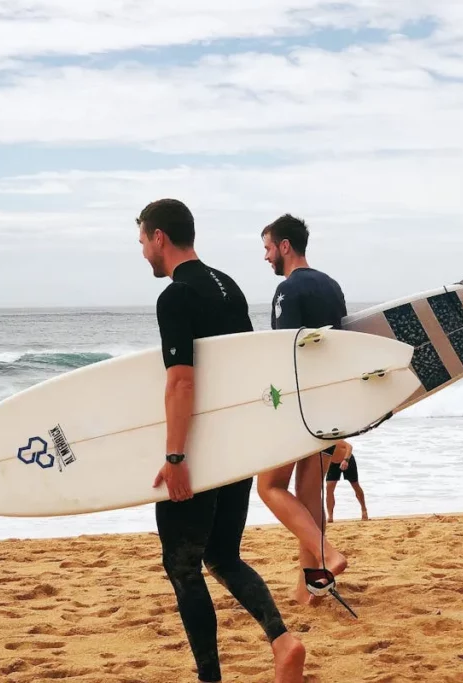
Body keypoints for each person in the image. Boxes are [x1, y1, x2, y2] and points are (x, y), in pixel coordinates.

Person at [139, 198, 305, 683]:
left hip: (201, 453)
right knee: (222, 555)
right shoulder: (227, 287)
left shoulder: (174, 297)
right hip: (236, 448)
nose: (144, 253)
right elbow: (245, 369)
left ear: (159, 238)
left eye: (143, 242)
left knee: (183, 566)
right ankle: (282, 640)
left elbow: (182, 382)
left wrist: (175, 457)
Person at [254, 213, 350, 606]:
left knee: (269, 486)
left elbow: (285, 352)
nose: (266, 258)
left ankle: (327, 556)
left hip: (298, 404)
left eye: (267, 248)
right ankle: (311, 588)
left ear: (284, 247)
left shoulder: (287, 291)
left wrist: (270, 405)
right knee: (308, 499)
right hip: (327, 403)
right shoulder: (332, 286)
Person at [323, 440, 368, 522]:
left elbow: (349, 446)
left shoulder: (333, 439)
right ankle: (330, 516)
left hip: (347, 460)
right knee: (329, 489)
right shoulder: (317, 444)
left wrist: (346, 460)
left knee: (355, 485)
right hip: (332, 463)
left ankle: (364, 510)